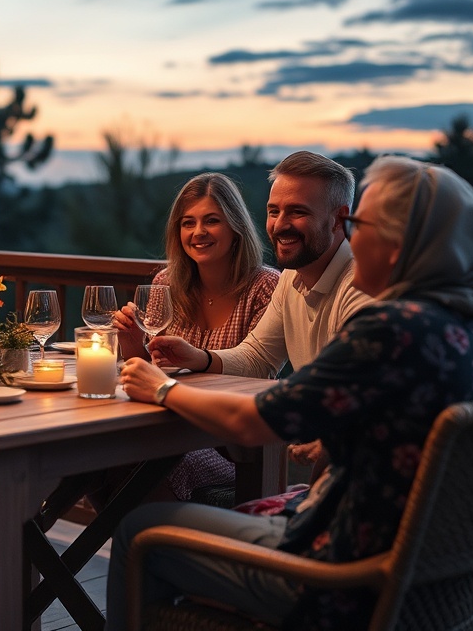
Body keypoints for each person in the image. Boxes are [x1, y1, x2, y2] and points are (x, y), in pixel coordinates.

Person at [106, 156, 473, 630]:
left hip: (343, 579)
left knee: (144, 532)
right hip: (442, 582)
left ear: (400, 245)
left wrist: (160, 387)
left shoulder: (391, 329)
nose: (351, 236)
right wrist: (199, 358)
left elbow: (254, 422)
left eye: (357, 223)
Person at [148, 151, 372, 490]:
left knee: (141, 513)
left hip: (357, 482)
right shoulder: (290, 279)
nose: (280, 224)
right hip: (335, 473)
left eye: (297, 212)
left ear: (340, 218)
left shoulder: (360, 285)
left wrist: (164, 389)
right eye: (273, 211)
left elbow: (359, 396)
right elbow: (257, 356)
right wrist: (200, 357)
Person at [112, 172, 279, 504]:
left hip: (233, 444)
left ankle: (150, 548)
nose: (198, 232)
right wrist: (132, 343)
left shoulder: (265, 287)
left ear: (236, 227)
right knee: (105, 457)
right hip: (163, 427)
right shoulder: (166, 282)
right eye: (188, 223)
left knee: (136, 462)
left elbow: (261, 372)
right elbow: (150, 372)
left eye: (212, 221)